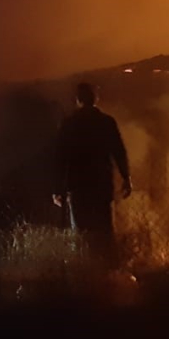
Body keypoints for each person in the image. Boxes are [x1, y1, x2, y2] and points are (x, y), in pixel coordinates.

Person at [54, 82, 131, 266]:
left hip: (78, 186)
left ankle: (84, 269)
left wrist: (58, 189)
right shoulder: (106, 122)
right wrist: (126, 177)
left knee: (80, 232)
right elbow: (119, 151)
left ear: (78, 100)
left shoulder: (69, 124)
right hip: (101, 185)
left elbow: (60, 157)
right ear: (96, 98)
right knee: (104, 231)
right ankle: (108, 270)